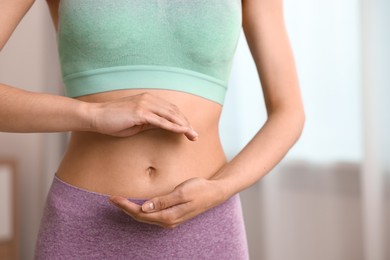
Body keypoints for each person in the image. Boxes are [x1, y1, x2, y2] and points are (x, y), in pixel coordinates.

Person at [1, 0, 304, 259]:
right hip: (86, 222)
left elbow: (288, 113)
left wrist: (220, 189)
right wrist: (93, 114)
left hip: (205, 220)